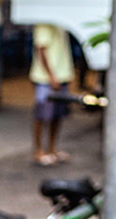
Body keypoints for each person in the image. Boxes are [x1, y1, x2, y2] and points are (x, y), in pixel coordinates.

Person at [29, 23, 73, 165]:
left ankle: (52, 148)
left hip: (62, 76)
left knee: (57, 115)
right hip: (46, 79)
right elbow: (41, 49)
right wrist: (51, 76)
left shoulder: (61, 21)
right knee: (41, 115)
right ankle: (39, 151)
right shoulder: (44, 24)